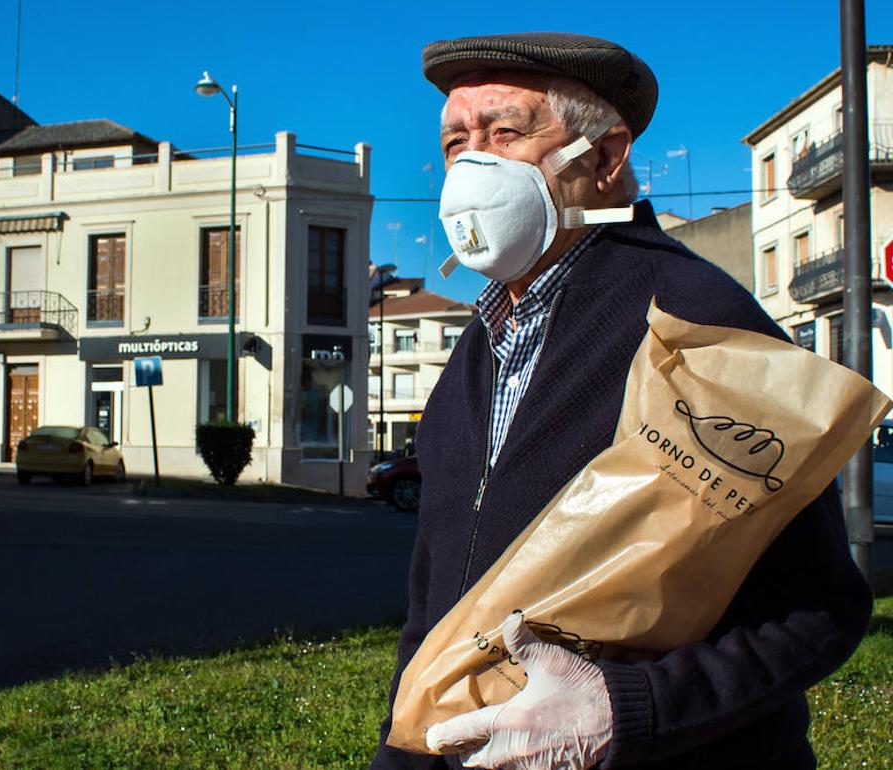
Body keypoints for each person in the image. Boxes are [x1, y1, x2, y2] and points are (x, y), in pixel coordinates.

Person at [369, 32, 872, 770]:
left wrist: (623, 711)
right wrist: (404, 754)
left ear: (605, 159)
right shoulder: (475, 352)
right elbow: (432, 609)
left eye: (504, 131)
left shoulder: (697, 325)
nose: (472, 164)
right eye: (455, 143)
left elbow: (820, 608)